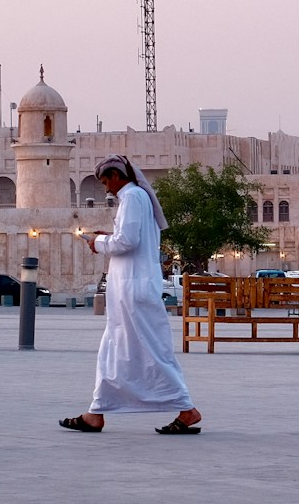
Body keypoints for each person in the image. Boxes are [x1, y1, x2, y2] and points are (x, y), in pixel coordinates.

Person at [62, 156, 203, 435]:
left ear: (116, 175)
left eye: (105, 182)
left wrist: (98, 242)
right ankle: (96, 412)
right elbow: (128, 237)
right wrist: (108, 237)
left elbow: (127, 242)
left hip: (134, 288)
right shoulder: (135, 198)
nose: (106, 190)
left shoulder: (133, 197)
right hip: (130, 287)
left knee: (149, 350)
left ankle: (187, 410)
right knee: (116, 349)